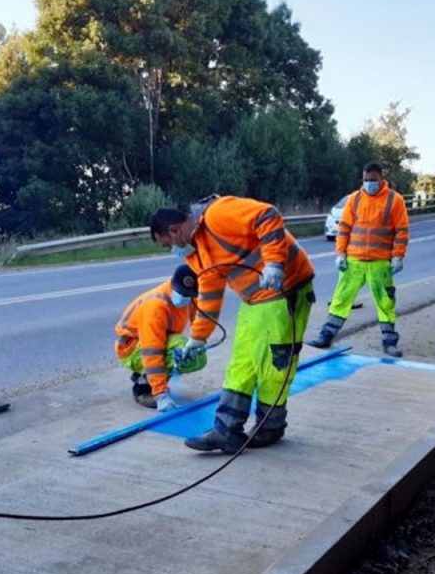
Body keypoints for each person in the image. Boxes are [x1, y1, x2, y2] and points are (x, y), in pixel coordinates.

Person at [149, 195, 315, 453]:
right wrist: (198, 338)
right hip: (254, 301)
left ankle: (270, 427)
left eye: (167, 244)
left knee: (273, 366)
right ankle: (226, 430)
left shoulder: (217, 215)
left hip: (285, 290)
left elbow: (267, 215)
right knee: (241, 365)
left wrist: (273, 263)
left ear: (174, 229)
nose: (171, 249)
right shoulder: (197, 252)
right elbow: (210, 295)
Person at [307, 162, 410, 356]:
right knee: (341, 299)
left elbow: (401, 232)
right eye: (366, 180)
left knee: (385, 303)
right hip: (353, 261)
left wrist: (398, 257)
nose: (369, 183)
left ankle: (389, 341)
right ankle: (326, 336)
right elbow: (344, 229)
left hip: (380, 262)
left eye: (373, 180)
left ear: (381, 179)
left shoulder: (394, 200)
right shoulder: (354, 199)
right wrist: (340, 253)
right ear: (362, 179)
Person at [114, 265, 207, 412]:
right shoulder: (156, 307)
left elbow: (198, 321)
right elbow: (151, 351)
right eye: (182, 293)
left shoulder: (189, 296)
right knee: (180, 347)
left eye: (189, 295)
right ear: (173, 285)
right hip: (132, 349)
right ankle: (144, 385)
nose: (185, 298)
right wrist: (161, 395)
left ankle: (157, 378)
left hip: (160, 340)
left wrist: (199, 342)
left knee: (197, 356)